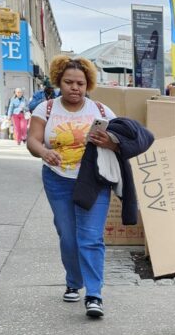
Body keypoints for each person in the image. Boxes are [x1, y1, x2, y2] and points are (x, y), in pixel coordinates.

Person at [27, 55, 149, 318]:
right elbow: (32, 140)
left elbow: (121, 142)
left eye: (80, 83)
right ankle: (74, 280)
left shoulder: (101, 111)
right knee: (68, 236)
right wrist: (44, 153)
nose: (75, 88)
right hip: (57, 179)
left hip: (93, 180)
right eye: (68, 82)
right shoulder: (46, 109)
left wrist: (110, 142)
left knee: (91, 237)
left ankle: (94, 294)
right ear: (59, 81)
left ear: (88, 84)